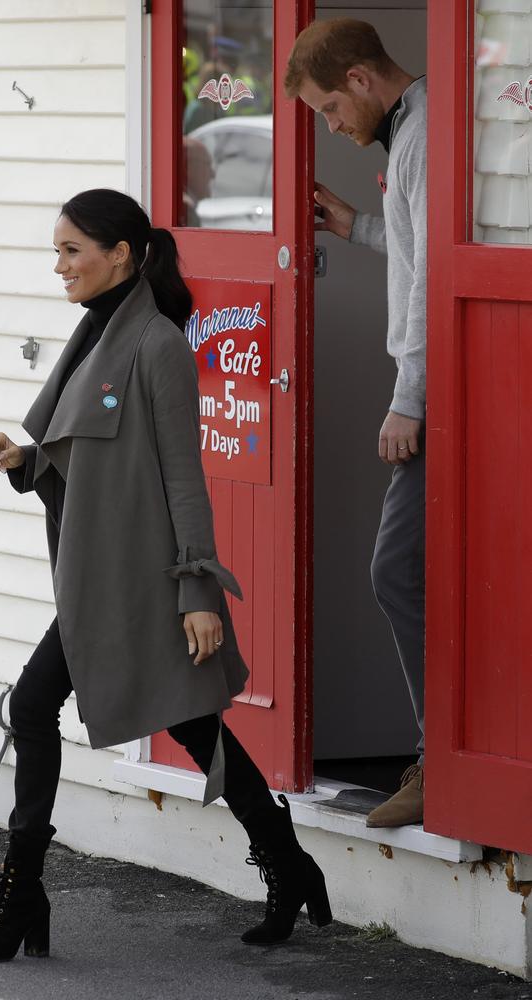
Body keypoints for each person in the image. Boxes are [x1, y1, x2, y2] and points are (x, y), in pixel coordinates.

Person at [0, 189, 331, 963]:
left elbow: (184, 480)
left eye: (71, 251)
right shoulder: (94, 336)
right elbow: (85, 450)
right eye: (56, 250)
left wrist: (199, 595)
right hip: (98, 578)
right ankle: (286, 864)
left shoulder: (156, 344)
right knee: (188, 725)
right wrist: (23, 458)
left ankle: (21, 893)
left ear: (119, 255)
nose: (58, 265)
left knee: (61, 708)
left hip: (147, 580)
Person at [285, 19, 427, 828]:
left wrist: (409, 396)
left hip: (433, 396)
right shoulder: (411, 138)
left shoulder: (422, 137)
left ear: (364, 79)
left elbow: (437, 277)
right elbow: (418, 246)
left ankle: (441, 757)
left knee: (394, 571)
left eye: (331, 108)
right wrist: (353, 227)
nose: (332, 126)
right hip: (433, 386)